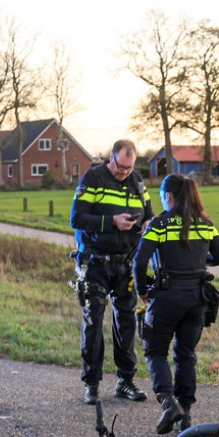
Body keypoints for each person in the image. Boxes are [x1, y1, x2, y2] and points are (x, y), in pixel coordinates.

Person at [133, 173, 219, 434]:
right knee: (186, 354)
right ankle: (185, 414)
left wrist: (143, 291)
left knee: (155, 350)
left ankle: (168, 402)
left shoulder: (159, 224)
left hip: (165, 297)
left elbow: (139, 262)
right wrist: (197, 264)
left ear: (168, 196)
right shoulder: (206, 224)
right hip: (197, 299)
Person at [70, 139, 152, 404]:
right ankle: (92, 384)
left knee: (126, 322)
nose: (124, 172)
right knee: (93, 322)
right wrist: (111, 222)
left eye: (129, 168)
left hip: (126, 262)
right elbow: (77, 218)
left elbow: (150, 212)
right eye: (120, 167)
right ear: (111, 158)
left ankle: (125, 381)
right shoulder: (93, 178)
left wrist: (147, 223)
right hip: (94, 262)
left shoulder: (137, 181)